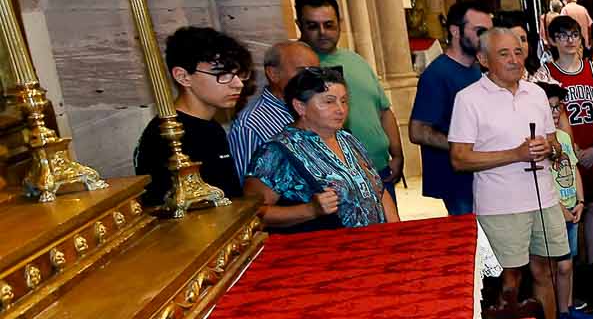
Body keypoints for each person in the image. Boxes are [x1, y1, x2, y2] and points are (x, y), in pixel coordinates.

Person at [450, 27, 589, 319]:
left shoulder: (536, 94)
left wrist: (551, 146)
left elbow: (553, 144)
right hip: (501, 204)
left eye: (517, 51)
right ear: (483, 59)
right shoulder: (469, 99)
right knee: (510, 278)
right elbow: (460, 158)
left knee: (547, 270)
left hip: (543, 197)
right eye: (503, 54)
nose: (514, 59)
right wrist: (514, 155)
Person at [244, 66, 396, 230]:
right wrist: (309, 210)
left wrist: (396, 232)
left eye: (344, 101)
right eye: (329, 101)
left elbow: (378, 190)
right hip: (322, 250)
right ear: (300, 107)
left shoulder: (346, 138)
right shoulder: (276, 152)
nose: (341, 109)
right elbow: (252, 214)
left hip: (375, 244)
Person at [295, 0, 402, 190]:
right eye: (312, 26)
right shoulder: (300, 66)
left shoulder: (356, 60)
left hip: (380, 169)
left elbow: (384, 111)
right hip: (336, 180)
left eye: (329, 25)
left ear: (339, 23)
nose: (322, 32)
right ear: (299, 25)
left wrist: (396, 154)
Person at [134, 26, 248, 207]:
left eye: (238, 74)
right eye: (222, 74)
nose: (238, 84)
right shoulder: (167, 135)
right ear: (183, 77)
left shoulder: (212, 127)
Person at [409, 0, 491, 216]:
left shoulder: (476, 69)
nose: (486, 38)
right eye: (479, 31)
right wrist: (465, 147)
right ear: (455, 31)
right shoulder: (437, 74)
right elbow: (417, 131)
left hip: (481, 175)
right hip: (457, 181)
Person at [537, 14, 593, 272]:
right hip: (566, 150)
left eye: (574, 35)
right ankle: (571, 264)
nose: (569, 40)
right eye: (563, 36)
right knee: (569, 203)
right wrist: (572, 150)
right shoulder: (546, 73)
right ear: (552, 40)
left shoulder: (592, 69)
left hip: (592, 146)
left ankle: (592, 264)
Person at [539, 81, 593, 319]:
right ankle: (558, 313)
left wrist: (581, 202)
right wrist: (560, 208)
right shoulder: (537, 143)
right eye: (548, 108)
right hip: (554, 211)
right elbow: (541, 181)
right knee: (558, 266)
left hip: (572, 208)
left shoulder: (563, 138)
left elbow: (573, 170)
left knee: (569, 263)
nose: (553, 113)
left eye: (556, 107)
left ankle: (568, 307)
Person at [228, 39, 319, 181]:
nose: (312, 79)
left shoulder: (316, 109)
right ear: (273, 73)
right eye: (302, 71)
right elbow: (248, 193)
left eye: (316, 71)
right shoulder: (250, 125)